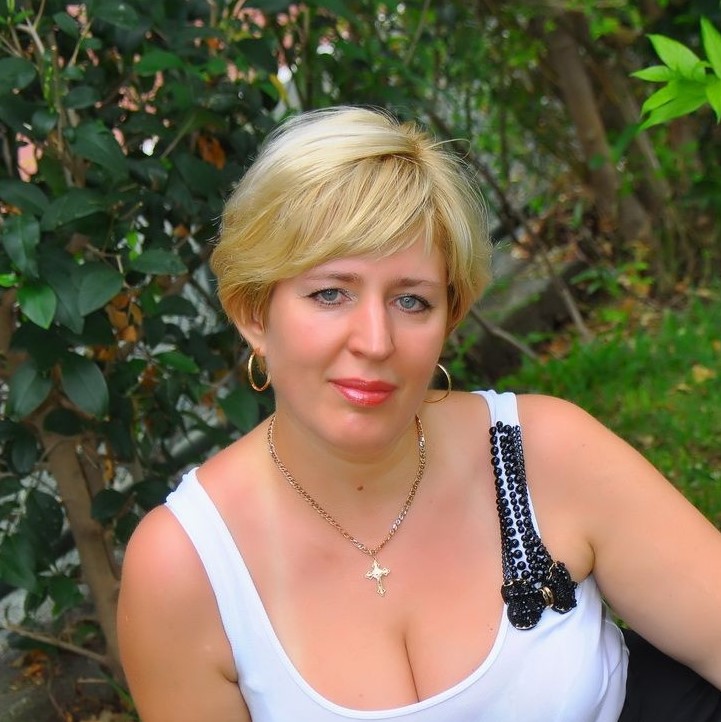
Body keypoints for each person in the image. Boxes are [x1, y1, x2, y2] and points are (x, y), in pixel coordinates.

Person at [117, 106, 721, 722]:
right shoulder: (187, 568)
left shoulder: (546, 454)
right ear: (253, 312)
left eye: (411, 301)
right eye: (331, 293)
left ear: (449, 318)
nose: (375, 341)